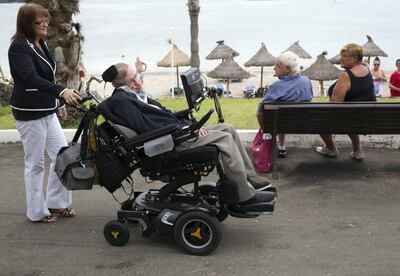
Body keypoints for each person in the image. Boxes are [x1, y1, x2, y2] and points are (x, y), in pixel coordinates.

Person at [101, 63, 276, 210]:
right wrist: (186, 130)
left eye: (137, 77)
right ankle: (244, 196)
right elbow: (147, 128)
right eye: (132, 80)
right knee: (225, 139)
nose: (137, 81)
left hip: (175, 131)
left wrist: (186, 124)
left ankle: (247, 180)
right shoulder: (122, 101)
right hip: (169, 142)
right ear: (121, 83)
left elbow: (162, 114)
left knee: (228, 128)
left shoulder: (134, 95)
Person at [8, 3, 82, 223]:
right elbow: (30, 78)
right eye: (39, 21)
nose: (45, 24)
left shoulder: (40, 43)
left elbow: (47, 78)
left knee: (63, 156)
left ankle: (57, 204)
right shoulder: (18, 47)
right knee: (35, 164)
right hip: (29, 113)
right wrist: (62, 91)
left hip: (47, 110)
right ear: (26, 24)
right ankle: (37, 212)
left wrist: (58, 103)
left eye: (46, 20)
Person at [315, 43, 375, 160]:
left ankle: (331, 149)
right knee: (351, 116)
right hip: (366, 117)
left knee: (319, 120)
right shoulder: (366, 70)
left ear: (355, 58)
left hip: (350, 118)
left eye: (345, 56)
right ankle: (357, 150)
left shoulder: (346, 75)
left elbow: (335, 104)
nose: (340, 59)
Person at [256, 51, 313, 158]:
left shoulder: (276, 87)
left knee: (279, 116)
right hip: (304, 123)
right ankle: (281, 146)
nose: (274, 68)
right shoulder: (306, 81)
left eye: (277, 66)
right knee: (283, 114)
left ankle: (280, 147)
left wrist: (265, 129)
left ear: (287, 69)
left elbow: (259, 113)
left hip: (281, 124)